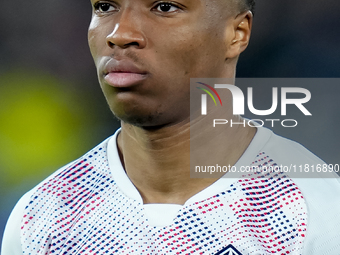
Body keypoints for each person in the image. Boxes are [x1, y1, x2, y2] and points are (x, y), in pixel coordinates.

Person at [2, 0, 340, 254]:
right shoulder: (42, 215)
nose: (120, 34)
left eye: (164, 7)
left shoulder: (315, 212)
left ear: (236, 34)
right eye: (105, 6)